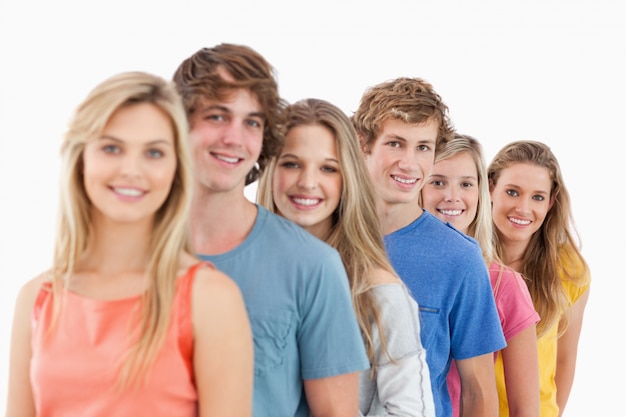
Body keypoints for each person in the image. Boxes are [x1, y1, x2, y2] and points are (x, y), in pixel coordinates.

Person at [5, 71, 254, 417]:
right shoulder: (37, 298)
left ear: (175, 170)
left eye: (154, 153)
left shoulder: (210, 298)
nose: (131, 170)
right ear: (81, 161)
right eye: (111, 148)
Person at [172, 44, 369, 417]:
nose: (234, 137)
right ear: (177, 123)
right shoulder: (132, 252)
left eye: (252, 122)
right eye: (217, 116)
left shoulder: (314, 266)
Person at [257, 98, 436, 417]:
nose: (308, 182)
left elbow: (410, 411)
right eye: (291, 163)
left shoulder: (380, 293)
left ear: (347, 179)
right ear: (270, 169)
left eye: (328, 168)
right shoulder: (243, 273)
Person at [351, 77, 506, 417]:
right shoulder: (325, 240)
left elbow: (478, 392)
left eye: (423, 147)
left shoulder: (459, 258)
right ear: (363, 144)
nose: (410, 163)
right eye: (395, 143)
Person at [421, 133, 540, 417]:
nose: (453, 196)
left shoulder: (505, 285)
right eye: (438, 182)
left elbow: (525, 410)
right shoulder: (391, 267)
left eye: (466, 184)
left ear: (481, 192)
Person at [487, 140, 591, 417]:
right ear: (490, 189)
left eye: (537, 197)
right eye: (512, 192)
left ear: (551, 202)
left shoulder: (569, 270)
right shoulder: (467, 260)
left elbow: (565, 359)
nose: (523, 208)